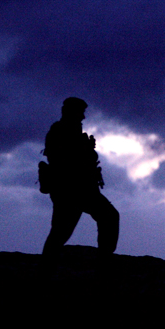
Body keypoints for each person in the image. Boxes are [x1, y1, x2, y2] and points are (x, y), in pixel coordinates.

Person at [41, 97, 120, 268]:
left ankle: (104, 261)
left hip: (82, 189)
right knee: (61, 232)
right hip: (70, 190)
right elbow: (62, 161)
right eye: (80, 112)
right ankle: (46, 269)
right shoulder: (60, 131)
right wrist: (85, 150)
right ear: (71, 112)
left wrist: (87, 150)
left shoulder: (71, 131)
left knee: (108, 217)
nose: (83, 117)